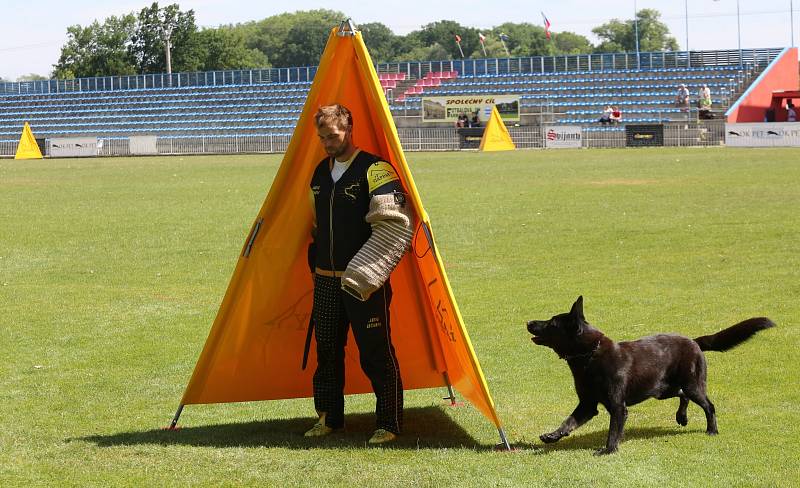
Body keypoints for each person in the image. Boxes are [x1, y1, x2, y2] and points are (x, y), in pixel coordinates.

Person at [305, 104, 413, 445]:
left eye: (333, 136)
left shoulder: (376, 169)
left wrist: (365, 272)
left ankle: (389, 423)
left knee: (375, 353)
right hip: (325, 279)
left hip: (365, 281)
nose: (328, 144)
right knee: (327, 352)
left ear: (348, 129)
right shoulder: (319, 173)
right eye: (322, 138)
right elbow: (314, 225)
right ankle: (329, 418)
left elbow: (396, 224)